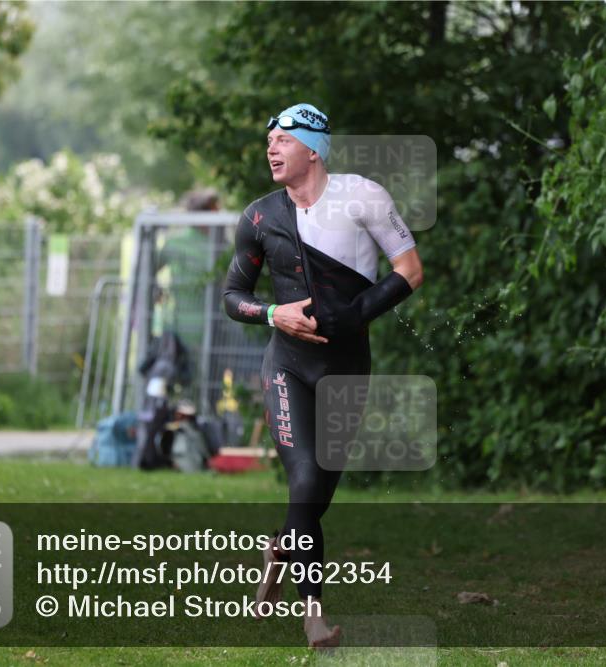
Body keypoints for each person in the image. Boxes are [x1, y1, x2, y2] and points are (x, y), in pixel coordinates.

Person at [222, 103, 424, 648]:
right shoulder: (260, 217)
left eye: (283, 139)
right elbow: (231, 297)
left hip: (347, 367)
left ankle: (280, 550)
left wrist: (355, 314)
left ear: (313, 148)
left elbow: (410, 270)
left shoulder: (363, 196)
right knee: (305, 482)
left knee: (314, 502)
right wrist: (272, 313)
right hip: (286, 365)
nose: (271, 148)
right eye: (269, 141)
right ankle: (313, 616)